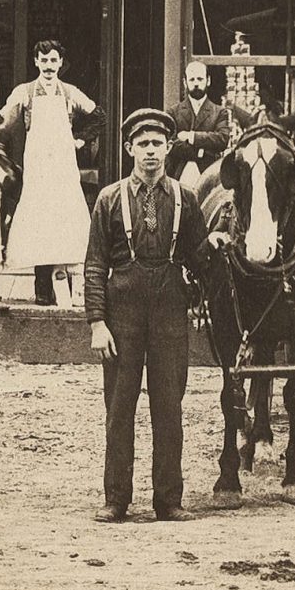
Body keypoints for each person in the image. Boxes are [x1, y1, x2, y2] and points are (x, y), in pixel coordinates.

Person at [84, 108, 216, 523]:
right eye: (143, 145)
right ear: (129, 149)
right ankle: (116, 498)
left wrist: (220, 250)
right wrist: (97, 322)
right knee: (119, 408)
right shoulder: (108, 199)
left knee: (169, 406)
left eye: (158, 144)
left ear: (169, 148)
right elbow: (93, 266)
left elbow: (199, 259)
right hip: (121, 312)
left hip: (170, 310)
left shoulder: (185, 198)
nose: (151, 153)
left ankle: (169, 500)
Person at [2, 40, 96, 305]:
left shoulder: (70, 92)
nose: (48, 66)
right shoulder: (25, 92)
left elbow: (97, 115)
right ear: (35, 62)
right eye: (43, 61)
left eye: (53, 61)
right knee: (39, 223)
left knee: (62, 220)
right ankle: (42, 288)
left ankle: (66, 283)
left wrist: (81, 139)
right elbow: (4, 124)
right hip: (38, 168)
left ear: (60, 63)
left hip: (63, 168)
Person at [170, 60, 235, 189]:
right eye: (192, 80)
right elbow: (171, 144)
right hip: (178, 174)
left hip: (210, 176)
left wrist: (192, 136)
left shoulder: (219, 112)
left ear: (208, 81)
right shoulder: (173, 112)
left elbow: (222, 139)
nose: (196, 84)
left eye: (200, 79)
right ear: (185, 83)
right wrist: (202, 152)